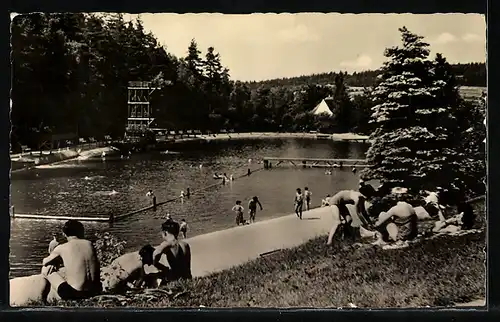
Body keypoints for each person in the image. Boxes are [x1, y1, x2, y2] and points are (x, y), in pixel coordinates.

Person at [41, 220, 101, 300]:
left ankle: (45, 298)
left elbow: (44, 262)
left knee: (46, 268)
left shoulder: (61, 247)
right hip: (94, 291)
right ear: (81, 232)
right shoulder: (89, 244)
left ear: (64, 234)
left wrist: (53, 248)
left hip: (74, 293)